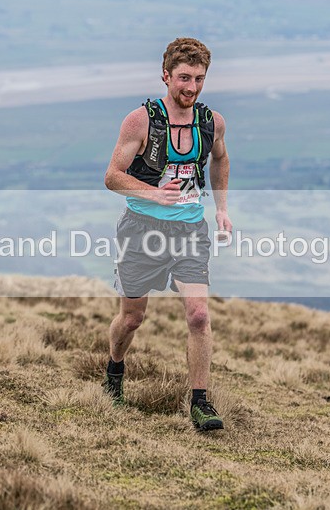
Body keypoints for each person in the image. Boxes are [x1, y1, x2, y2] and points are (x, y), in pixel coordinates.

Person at [102, 37, 232, 431]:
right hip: (141, 229)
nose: (191, 87)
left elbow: (221, 160)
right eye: (183, 78)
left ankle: (200, 402)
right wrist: (155, 194)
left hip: (190, 228)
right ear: (166, 76)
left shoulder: (211, 122)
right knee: (132, 318)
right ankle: (114, 371)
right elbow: (112, 177)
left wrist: (222, 209)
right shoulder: (140, 121)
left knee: (198, 314)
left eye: (198, 79)